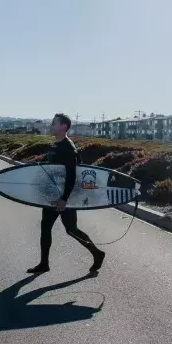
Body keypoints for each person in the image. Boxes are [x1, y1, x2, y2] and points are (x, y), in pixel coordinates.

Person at [27, 113, 105, 274]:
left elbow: (72, 176)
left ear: (63, 126)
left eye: (54, 123)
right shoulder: (55, 145)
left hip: (64, 196)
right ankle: (44, 263)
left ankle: (97, 253)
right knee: (46, 227)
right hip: (52, 195)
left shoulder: (68, 148)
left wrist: (64, 199)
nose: (51, 125)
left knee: (71, 229)